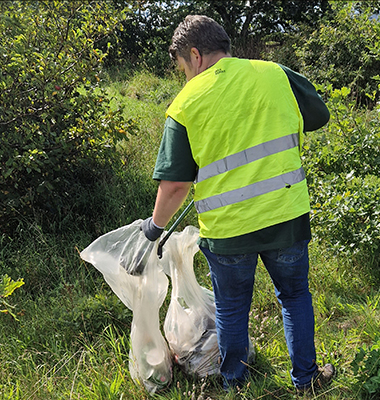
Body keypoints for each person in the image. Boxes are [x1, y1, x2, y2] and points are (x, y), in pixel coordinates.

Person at [140, 15, 332, 391]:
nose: (185, 76)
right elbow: (319, 115)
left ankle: (234, 384)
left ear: (194, 55)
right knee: (294, 297)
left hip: (228, 230)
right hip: (285, 216)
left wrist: (155, 227)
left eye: (183, 68)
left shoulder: (186, 102)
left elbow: (176, 185)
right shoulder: (275, 73)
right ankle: (306, 380)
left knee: (231, 309)